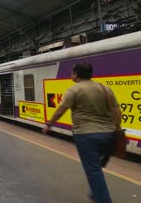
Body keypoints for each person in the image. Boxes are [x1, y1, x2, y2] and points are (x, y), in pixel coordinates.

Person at [42, 63, 122, 203]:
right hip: (108, 134)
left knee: (93, 169)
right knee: (97, 166)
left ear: (76, 74)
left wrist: (49, 125)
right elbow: (117, 111)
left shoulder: (73, 90)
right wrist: (117, 128)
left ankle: (103, 199)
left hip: (85, 134)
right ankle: (95, 190)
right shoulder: (104, 88)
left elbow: (60, 111)